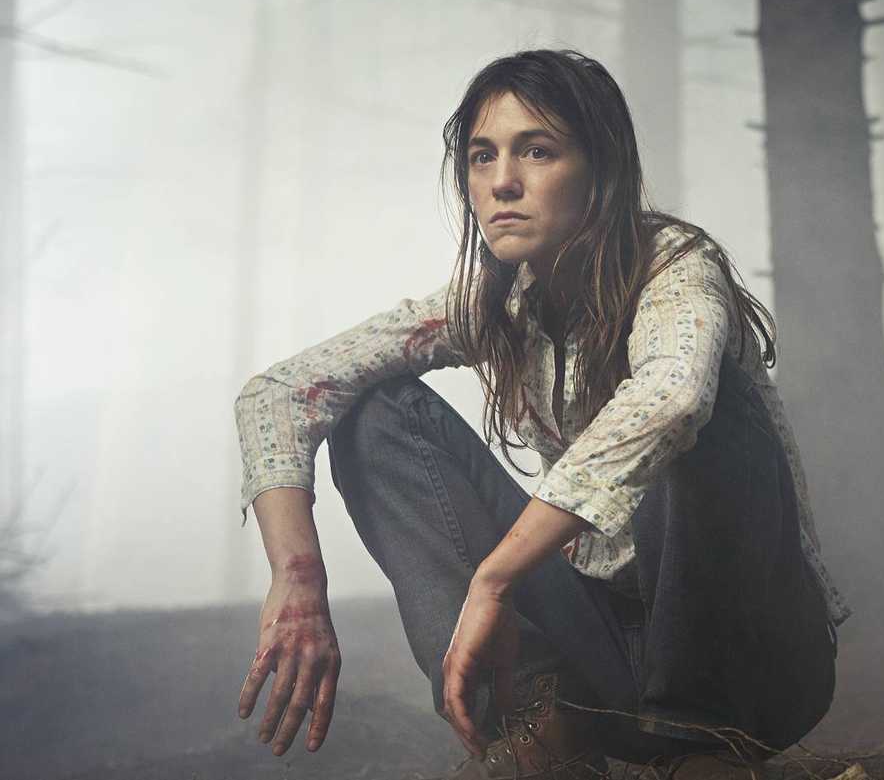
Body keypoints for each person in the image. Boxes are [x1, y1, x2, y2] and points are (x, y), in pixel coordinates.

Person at [231, 48, 849, 780]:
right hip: (609, 656)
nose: (503, 184)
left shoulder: (675, 266)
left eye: (539, 151)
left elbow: (674, 397)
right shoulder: (494, 301)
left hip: (758, 664)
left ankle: (707, 744)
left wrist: (492, 579)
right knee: (373, 413)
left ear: (602, 170)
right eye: (482, 157)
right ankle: (544, 726)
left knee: (708, 406)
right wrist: (298, 577)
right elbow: (285, 389)